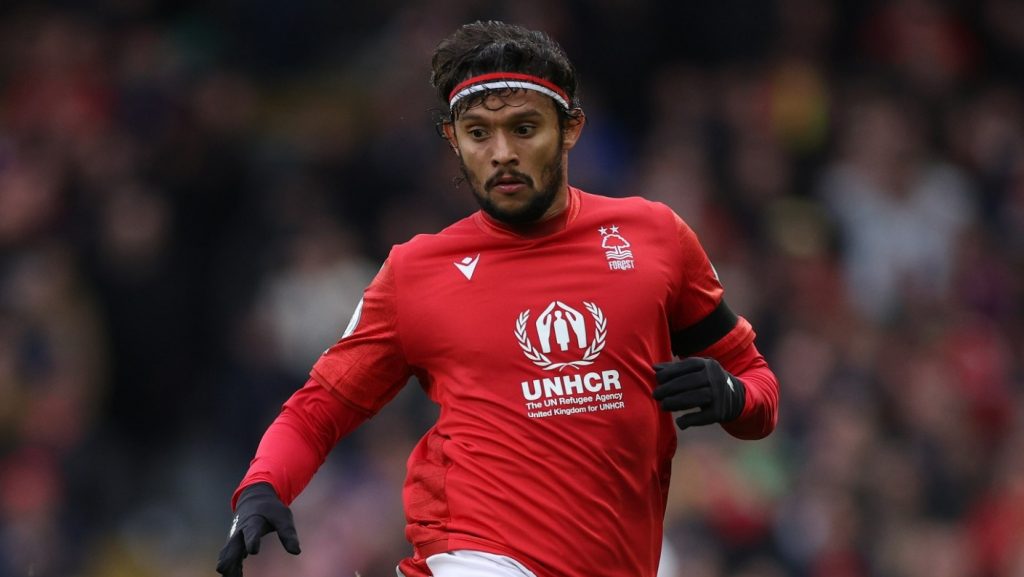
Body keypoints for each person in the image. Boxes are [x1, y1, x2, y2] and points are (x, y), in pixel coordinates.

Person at [216, 20, 779, 577]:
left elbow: (757, 387)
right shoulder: (416, 272)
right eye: (479, 133)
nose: (501, 152)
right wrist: (263, 485)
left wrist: (732, 396)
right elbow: (320, 409)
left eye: (524, 128)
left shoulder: (653, 237)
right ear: (453, 140)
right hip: (473, 556)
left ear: (571, 128)